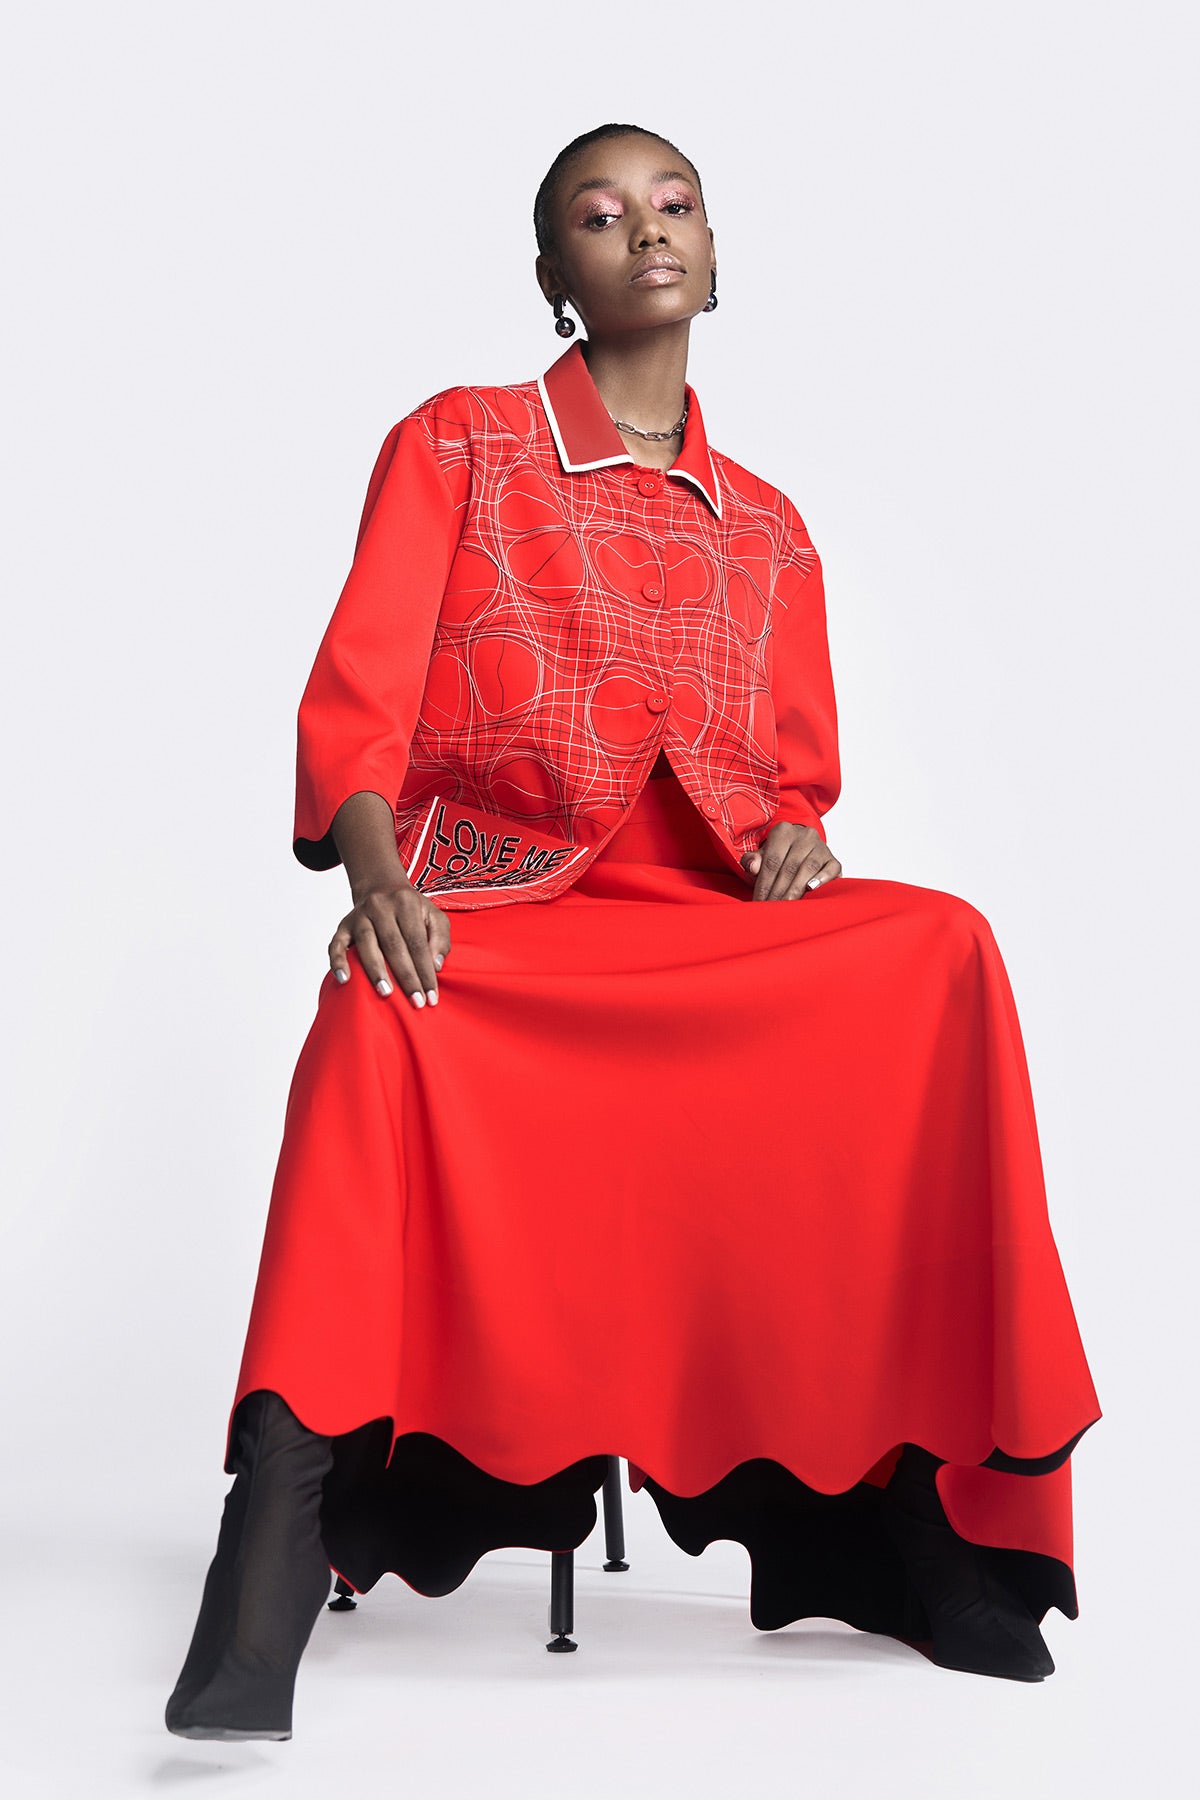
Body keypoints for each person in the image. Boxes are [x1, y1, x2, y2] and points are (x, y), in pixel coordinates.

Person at [165, 123, 1102, 1741]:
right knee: (380, 1017)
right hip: (500, 910)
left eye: (676, 206)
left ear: (715, 255)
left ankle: (918, 1512)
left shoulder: (772, 526)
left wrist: (796, 835)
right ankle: (275, 1545)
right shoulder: (459, 443)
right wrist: (378, 882)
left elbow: (788, 783)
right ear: (556, 274)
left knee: (942, 950)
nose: (647, 231)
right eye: (602, 215)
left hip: (704, 925)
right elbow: (360, 701)